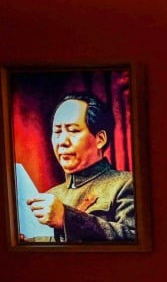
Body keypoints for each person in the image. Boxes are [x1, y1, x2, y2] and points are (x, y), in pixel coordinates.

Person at [24, 92, 136, 242]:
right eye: (57, 132)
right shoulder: (51, 195)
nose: (62, 141)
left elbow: (134, 238)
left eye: (73, 131)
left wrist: (67, 218)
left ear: (100, 139)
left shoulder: (126, 184)